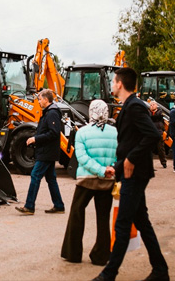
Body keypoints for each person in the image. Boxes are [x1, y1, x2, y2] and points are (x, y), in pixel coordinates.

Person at [92, 67, 168, 281]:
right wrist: (115, 168)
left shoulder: (134, 106)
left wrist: (131, 159)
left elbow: (152, 135)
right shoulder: (130, 105)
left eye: (113, 81)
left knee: (123, 224)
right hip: (130, 172)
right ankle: (160, 270)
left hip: (135, 174)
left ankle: (109, 274)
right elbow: (130, 143)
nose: (112, 84)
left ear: (119, 83)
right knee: (142, 221)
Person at [61, 99, 118, 266]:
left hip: (86, 180)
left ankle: (73, 253)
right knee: (103, 218)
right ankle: (101, 255)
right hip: (107, 181)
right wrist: (109, 169)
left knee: (77, 215)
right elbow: (118, 154)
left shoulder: (82, 133)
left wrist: (99, 170)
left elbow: (82, 158)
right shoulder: (114, 132)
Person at [17, 89, 66, 215]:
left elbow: (53, 133)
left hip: (46, 152)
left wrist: (35, 138)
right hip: (47, 151)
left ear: (46, 99)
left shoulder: (52, 113)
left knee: (35, 176)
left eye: (39, 99)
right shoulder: (49, 112)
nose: (38, 101)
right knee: (51, 179)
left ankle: (29, 206)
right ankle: (59, 205)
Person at [148, 99, 169, 169]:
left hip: (159, 132)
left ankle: (164, 162)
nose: (152, 106)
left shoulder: (160, 112)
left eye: (153, 105)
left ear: (156, 105)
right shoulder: (148, 112)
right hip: (151, 133)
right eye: (150, 105)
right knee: (149, 149)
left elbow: (157, 117)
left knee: (161, 148)